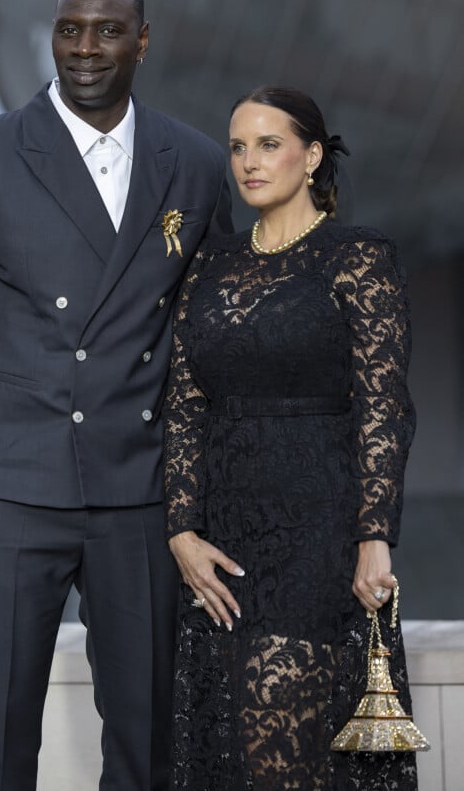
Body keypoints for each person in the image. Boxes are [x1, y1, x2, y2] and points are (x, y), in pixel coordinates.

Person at [0, 0, 232, 791]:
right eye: (70, 31)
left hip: (143, 493)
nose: (86, 49)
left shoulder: (192, 163)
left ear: (143, 42)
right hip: (13, 495)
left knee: (150, 738)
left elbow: (212, 344)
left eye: (108, 31)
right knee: (0, 733)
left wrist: (208, 497)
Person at [164, 86, 418, 789]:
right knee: (232, 742)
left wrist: (374, 536)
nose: (249, 162)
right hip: (222, 540)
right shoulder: (207, 269)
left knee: (289, 739)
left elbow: (383, 405)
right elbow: (184, 407)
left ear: (311, 156)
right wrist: (182, 531)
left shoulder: (357, 258)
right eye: (239, 146)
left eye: (268, 145)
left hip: (320, 530)